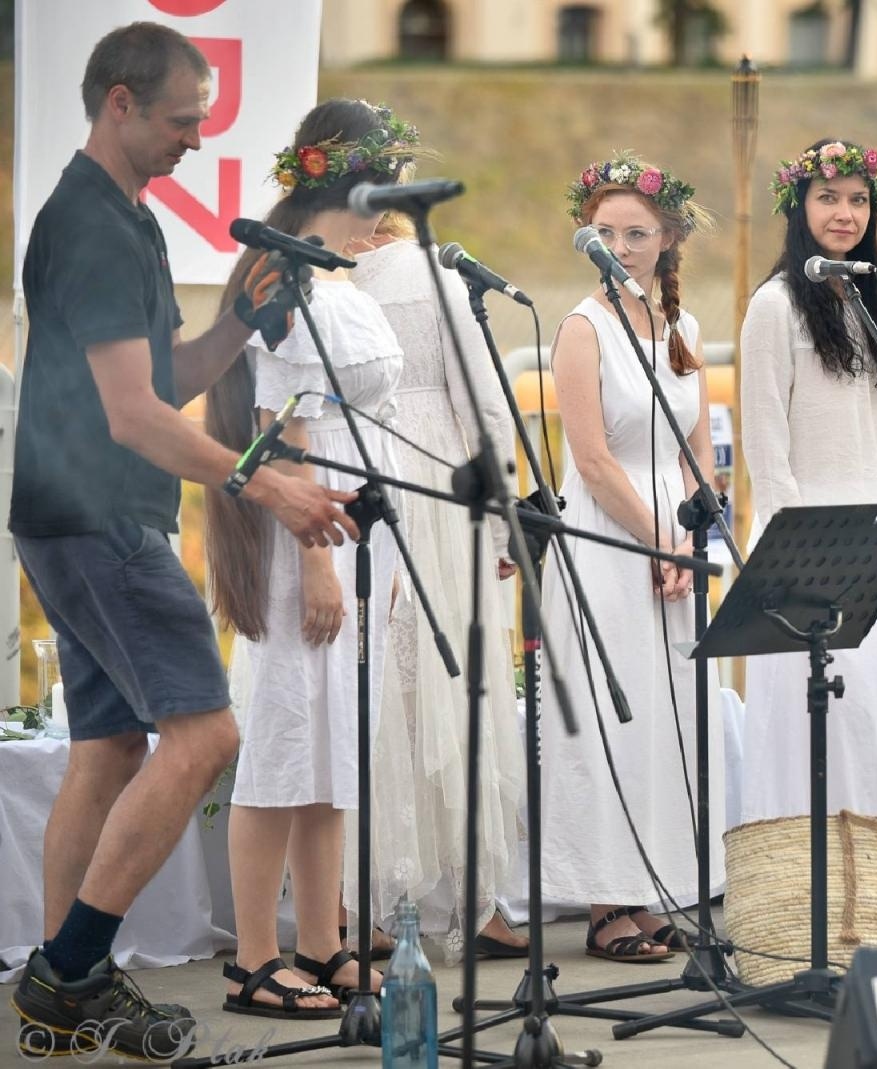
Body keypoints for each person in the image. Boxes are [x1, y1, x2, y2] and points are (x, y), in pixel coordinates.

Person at [7, 23, 354, 1058]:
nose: (195, 140)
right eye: (180, 120)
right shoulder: (95, 226)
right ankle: (68, 970)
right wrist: (265, 480)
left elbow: (171, 378)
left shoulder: (124, 218)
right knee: (206, 737)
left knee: (110, 747)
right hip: (103, 517)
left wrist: (244, 316)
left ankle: (70, 981)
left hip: (72, 516)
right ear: (118, 102)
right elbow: (134, 418)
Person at [203, 98, 418, 1015]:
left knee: (334, 746)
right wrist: (319, 559)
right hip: (308, 535)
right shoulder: (288, 279)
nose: (390, 212)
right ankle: (255, 956)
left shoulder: (339, 281)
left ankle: (323, 940)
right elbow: (283, 424)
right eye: (386, 189)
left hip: (356, 533)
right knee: (286, 739)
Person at [540, 155, 723, 963]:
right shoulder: (582, 329)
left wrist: (690, 530)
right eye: (605, 232)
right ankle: (603, 899)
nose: (619, 247)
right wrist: (655, 534)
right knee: (608, 713)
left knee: (664, 713)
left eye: (636, 233)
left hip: (673, 534)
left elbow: (696, 447)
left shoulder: (683, 329)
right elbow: (591, 459)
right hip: (609, 537)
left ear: (668, 237)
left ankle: (647, 885)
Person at [347, 209, 527, 964]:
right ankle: (473, 901)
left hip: (349, 476)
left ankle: (364, 907)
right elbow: (483, 405)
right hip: (434, 485)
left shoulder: (320, 276)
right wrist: (505, 525)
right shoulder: (437, 274)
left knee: (375, 695)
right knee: (453, 696)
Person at [739, 140, 877, 833]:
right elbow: (765, 446)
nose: (844, 213)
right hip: (811, 542)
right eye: (827, 198)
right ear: (799, 207)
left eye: (857, 199)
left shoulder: (875, 297)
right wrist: (790, 553)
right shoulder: (774, 305)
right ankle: (804, 877)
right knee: (820, 726)